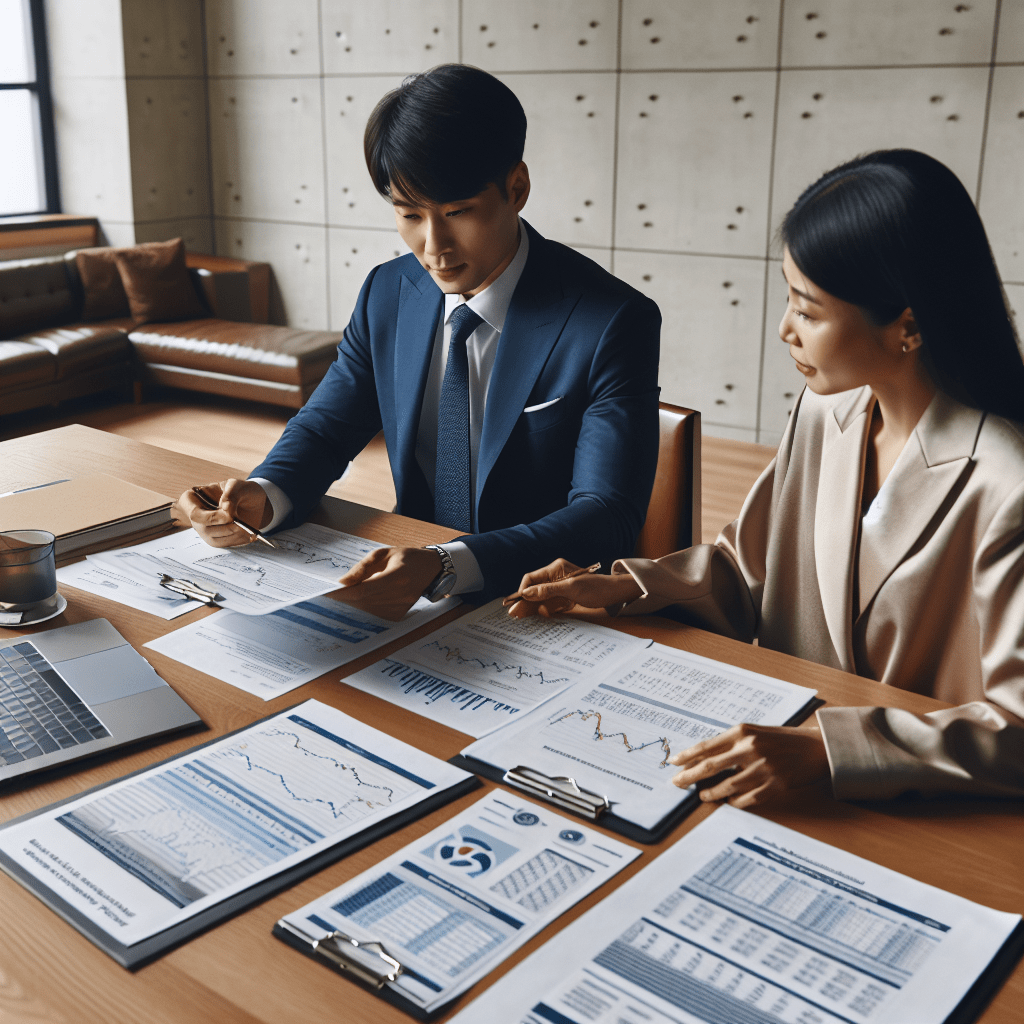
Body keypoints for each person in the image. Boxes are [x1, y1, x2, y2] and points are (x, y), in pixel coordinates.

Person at [508, 149, 1024, 807]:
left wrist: (833, 749)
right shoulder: (827, 409)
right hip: (766, 768)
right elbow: (748, 570)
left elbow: (1016, 728)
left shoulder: (1007, 483)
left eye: (808, 310)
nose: (784, 330)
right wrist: (625, 585)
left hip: (917, 807)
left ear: (909, 326)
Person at [178, 65, 660, 617]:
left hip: (537, 599)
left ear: (517, 188)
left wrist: (449, 563)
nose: (434, 247)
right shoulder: (390, 291)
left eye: (458, 213)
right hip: (407, 586)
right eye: (409, 215)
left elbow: (607, 513)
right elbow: (328, 426)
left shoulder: (610, 320)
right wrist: (268, 492)